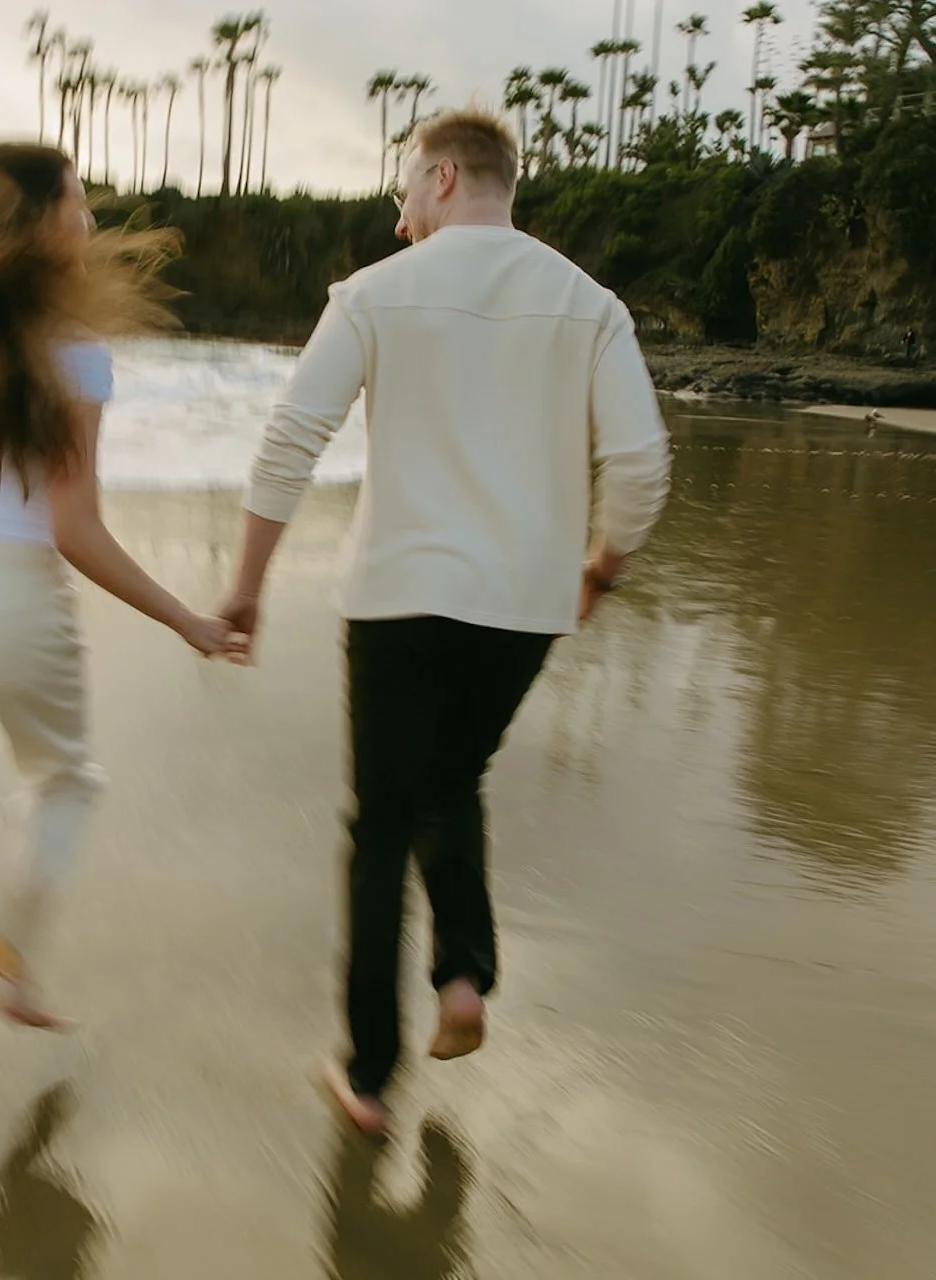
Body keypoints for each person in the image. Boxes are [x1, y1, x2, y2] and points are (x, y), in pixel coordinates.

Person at [217, 108, 672, 1136]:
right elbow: (642, 460)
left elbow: (291, 438)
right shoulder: (588, 304)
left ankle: (369, 1073)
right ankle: (462, 974)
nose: (396, 221)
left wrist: (246, 583)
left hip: (398, 598)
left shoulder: (376, 296)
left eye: (402, 195)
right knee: (451, 778)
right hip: (523, 607)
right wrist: (603, 561)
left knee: (381, 825)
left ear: (443, 178)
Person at [0, 143, 242, 1153]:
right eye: (75, 199)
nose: (88, 214)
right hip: (12, 601)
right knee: (69, 780)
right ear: (38, 223)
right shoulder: (74, 350)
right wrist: (188, 618)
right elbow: (73, 528)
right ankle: (13, 939)